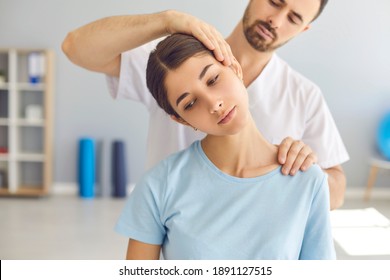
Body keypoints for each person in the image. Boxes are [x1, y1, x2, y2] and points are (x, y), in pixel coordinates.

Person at [62, 0, 349, 209]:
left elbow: (336, 190)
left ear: (304, 29)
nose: (276, 20)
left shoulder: (304, 95)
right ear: (178, 117)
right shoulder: (172, 66)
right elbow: (75, 47)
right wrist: (166, 20)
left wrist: (308, 168)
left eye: (294, 18)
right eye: (275, 2)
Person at [115, 33, 336, 260]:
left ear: (235, 68)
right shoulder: (159, 185)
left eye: (212, 80)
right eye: (190, 104)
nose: (214, 104)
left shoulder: (307, 179)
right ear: (181, 120)